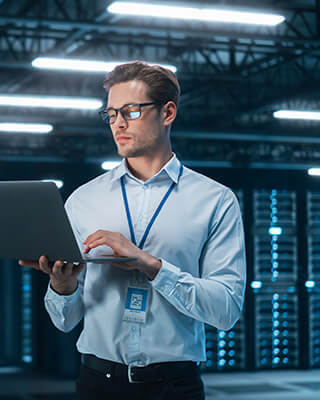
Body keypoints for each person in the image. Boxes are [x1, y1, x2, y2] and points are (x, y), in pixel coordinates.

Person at [19, 61, 246, 400]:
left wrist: (150, 265)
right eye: (111, 114)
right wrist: (62, 285)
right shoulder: (83, 200)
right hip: (97, 383)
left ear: (167, 112)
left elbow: (226, 310)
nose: (118, 124)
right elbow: (64, 322)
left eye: (131, 111)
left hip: (174, 387)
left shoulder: (215, 200)